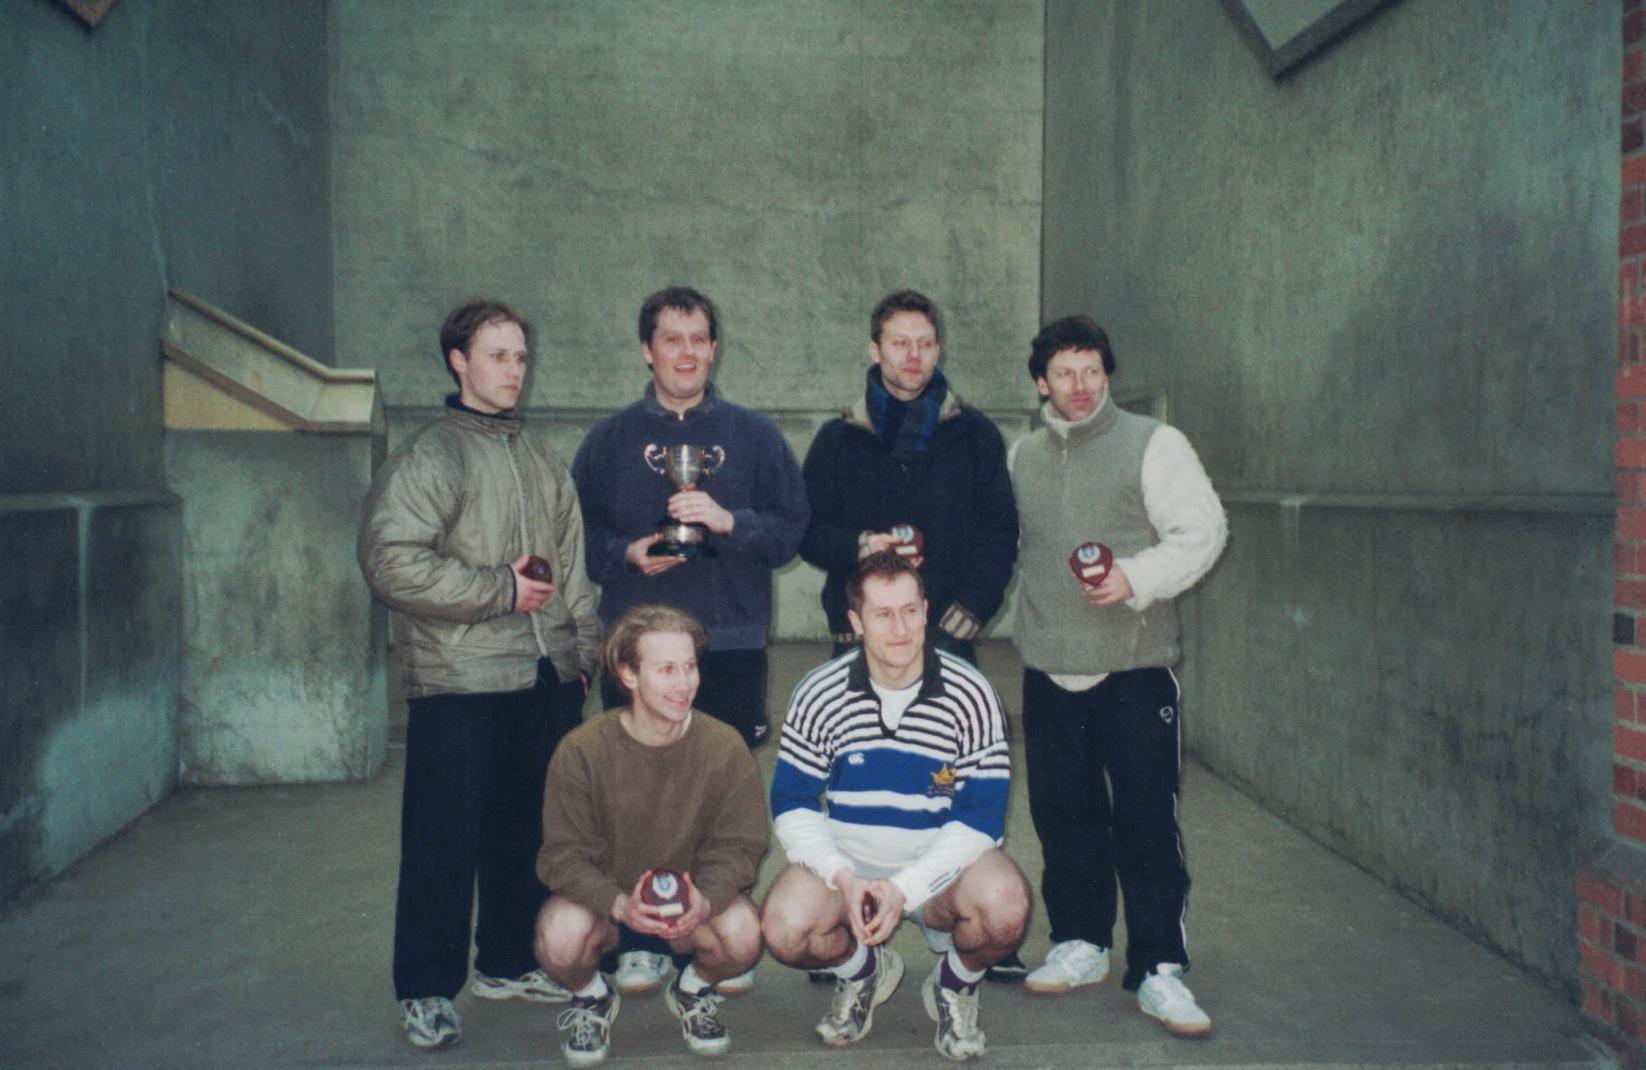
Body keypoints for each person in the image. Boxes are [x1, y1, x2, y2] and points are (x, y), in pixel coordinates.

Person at [358, 298, 600, 1050]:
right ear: (458, 361)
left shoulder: (541, 461)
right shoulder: (431, 457)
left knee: (524, 834)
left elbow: (574, 576)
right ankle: (426, 988)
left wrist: (581, 654)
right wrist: (496, 589)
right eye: (498, 355)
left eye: (521, 356)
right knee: (442, 841)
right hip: (459, 683)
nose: (513, 370)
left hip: (541, 680)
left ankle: (503, 961)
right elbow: (389, 562)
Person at [572, 285, 808, 993]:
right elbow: (576, 536)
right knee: (629, 797)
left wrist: (732, 521)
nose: (686, 352)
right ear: (647, 350)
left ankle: (713, 930)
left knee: (719, 793)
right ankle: (639, 939)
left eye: (698, 338)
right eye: (671, 339)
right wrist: (625, 555)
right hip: (635, 650)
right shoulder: (609, 440)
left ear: (714, 347)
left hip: (727, 643)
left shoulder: (755, 435)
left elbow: (793, 528)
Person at [798, 288, 1027, 982]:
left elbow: (1000, 532)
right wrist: (855, 548)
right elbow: (807, 529)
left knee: (950, 773)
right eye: (899, 342)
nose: (914, 355)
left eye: (925, 342)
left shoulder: (977, 435)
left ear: (938, 347)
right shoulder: (839, 438)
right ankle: (845, 914)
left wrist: (972, 608)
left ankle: (950, 912)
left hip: (944, 632)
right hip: (859, 634)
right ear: (874, 350)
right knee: (857, 774)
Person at [1009, 315, 1227, 1037]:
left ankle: (1159, 965)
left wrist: (1133, 577)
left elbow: (1203, 533)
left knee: (1145, 822)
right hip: (1049, 671)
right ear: (1042, 382)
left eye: (1092, 370)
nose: (1080, 386)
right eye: (1065, 373)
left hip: (1135, 671)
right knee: (1064, 817)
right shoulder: (1022, 458)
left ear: (1108, 374)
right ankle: (1080, 942)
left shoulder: (1154, 445)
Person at [761, 552, 1030, 1061]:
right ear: (857, 622)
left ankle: (955, 984)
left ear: (927, 610)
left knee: (1005, 905)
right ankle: (863, 971)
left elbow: (981, 817)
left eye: (910, 610)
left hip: (939, 875)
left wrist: (904, 891)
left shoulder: (971, 694)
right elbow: (792, 801)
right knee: (784, 928)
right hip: (852, 874)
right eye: (883, 614)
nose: (900, 628)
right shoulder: (819, 694)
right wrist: (845, 879)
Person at [535, 605, 768, 1066]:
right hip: (607, 907)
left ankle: (693, 989)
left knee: (744, 936)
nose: (685, 684)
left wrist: (706, 899)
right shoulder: (582, 750)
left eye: (690, 666)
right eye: (666, 670)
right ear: (628, 674)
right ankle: (591, 997)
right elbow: (563, 857)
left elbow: (741, 844)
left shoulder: (724, 745)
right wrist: (618, 904)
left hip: (690, 912)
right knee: (558, 938)